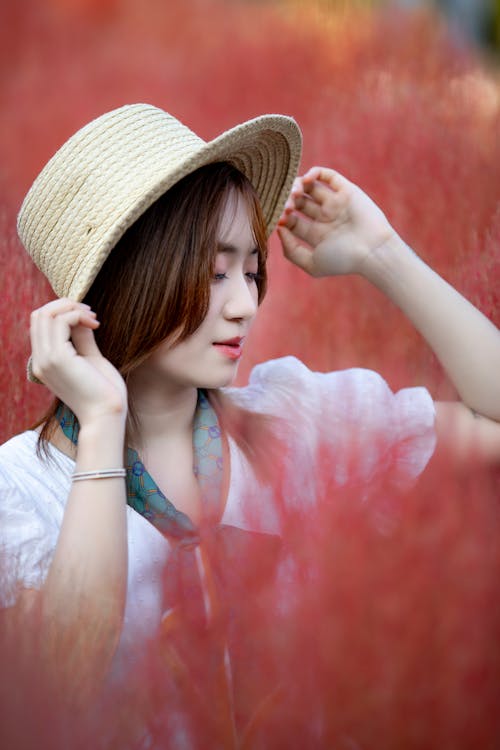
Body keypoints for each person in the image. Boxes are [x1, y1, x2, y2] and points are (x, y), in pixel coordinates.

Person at [0, 103, 499, 707]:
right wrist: (104, 421)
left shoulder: (294, 422)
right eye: (214, 273)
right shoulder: (21, 491)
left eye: (253, 271)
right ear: (124, 281)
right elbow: (59, 699)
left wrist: (382, 254)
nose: (244, 305)